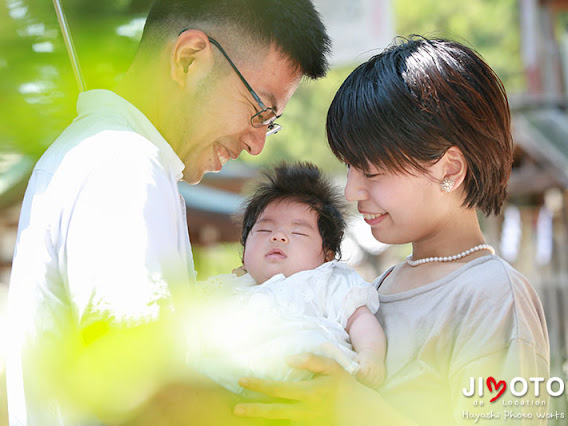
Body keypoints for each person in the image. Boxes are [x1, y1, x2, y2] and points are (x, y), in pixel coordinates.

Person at [0, 1, 331, 425]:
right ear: (189, 60)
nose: (257, 144)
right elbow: (143, 387)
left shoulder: (106, 156)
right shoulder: (122, 167)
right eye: (260, 111)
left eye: (270, 123)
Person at [233, 36, 550, 426]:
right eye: (349, 168)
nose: (351, 191)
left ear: (448, 170)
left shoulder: (494, 294)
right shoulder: (376, 288)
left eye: (372, 172)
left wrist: (355, 410)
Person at [190, 162, 386, 394]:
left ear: (327, 255)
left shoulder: (329, 281)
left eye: (298, 232)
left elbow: (360, 320)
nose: (278, 237)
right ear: (244, 254)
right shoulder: (229, 288)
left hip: (307, 374)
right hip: (231, 384)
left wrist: (371, 356)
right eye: (264, 230)